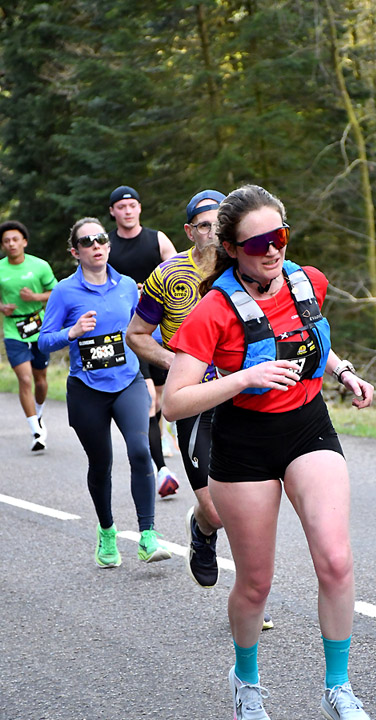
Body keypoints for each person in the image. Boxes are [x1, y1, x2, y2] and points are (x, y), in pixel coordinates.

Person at [161, 184, 376, 720]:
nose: (273, 249)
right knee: (256, 583)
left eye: (279, 236)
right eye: (258, 243)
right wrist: (244, 378)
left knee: (335, 560)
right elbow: (174, 403)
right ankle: (247, 682)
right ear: (232, 249)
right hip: (243, 444)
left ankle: (339, 687)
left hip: (307, 426)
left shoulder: (309, 282)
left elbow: (305, 339)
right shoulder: (212, 312)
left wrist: (342, 371)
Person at [126, 190, 274, 629]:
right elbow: (137, 334)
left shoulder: (250, 269)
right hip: (195, 402)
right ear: (190, 231)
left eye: (218, 224)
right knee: (218, 510)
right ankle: (202, 525)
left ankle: (252, 597)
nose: (212, 232)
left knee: (250, 507)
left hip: (246, 398)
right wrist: (177, 365)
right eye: (204, 225)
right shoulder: (168, 275)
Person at [38, 217, 171, 568]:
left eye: (100, 239)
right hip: (87, 389)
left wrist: (173, 344)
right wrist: (72, 332)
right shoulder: (65, 292)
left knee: (140, 451)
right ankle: (107, 531)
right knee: (101, 464)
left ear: (108, 246)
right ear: (75, 252)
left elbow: (145, 332)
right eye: (87, 241)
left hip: (128, 382)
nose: (96, 246)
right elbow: (44, 341)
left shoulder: (127, 285)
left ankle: (147, 536)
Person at [107, 185, 180, 499]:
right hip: (127, 333)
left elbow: (180, 275)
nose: (127, 211)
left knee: (161, 395)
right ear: (113, 211)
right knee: (149, 397)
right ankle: (160, 469)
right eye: (121, 207)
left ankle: (161, 433)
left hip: (160, 329)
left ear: (139, 208)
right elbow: (95, 281)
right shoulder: (106, 245)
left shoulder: (157, 239)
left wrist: (152, 290)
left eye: (132, 205)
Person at [0, 220, 57, 452]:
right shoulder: (1, 269)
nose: (11, 244)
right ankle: (36, 432)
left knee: (40, 380)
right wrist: (2, 307)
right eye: (6, 241)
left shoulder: (40, 266)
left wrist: (35, 297)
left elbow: (55, 292)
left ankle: (39, 412)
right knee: (24, 379)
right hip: (13, 329)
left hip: (38, 326)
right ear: (2, 245)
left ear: (24, 241)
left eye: (15, 239)